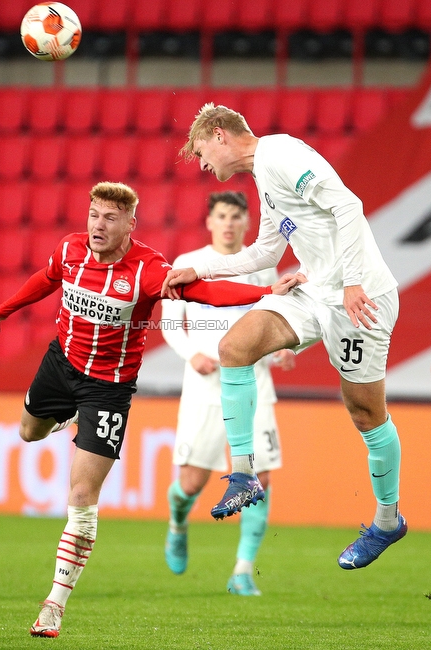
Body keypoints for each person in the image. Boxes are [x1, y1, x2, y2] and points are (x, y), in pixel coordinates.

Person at [0, 181, 302, 638]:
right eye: (94, 214)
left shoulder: (149, 270)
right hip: (61, 363)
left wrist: (267, 291)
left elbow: (205, 295)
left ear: (130, 224)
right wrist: (4, 309)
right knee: (28, 432)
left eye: (110, 218)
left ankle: (55, 603)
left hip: (107, 390)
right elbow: (47, 278)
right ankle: (68, 418)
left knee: (81, 499)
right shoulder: (70, 249)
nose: (98, 224)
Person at [163, 103, 407, 570]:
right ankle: (243, 475)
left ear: (219, 135)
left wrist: (353, 279)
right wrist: (199, 268)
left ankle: (387, 520)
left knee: (366, 413)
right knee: (235, 346)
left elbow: (348, 205)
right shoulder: (264, 177)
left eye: (200, 152)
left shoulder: (281, 154)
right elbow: (264, 252)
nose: (202, 164)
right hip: (314, 291)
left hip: (362, 297)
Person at [160, 191, 295, 595]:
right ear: (210, 221)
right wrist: (192, 353)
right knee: (190, 483)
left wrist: (283, 349)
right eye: (222, 215)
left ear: (247, 223)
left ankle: (243, 570)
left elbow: (273, 326)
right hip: (206, 387)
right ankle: (178, 523)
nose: (230, 223)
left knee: (261, 478)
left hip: (254, 383)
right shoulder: (189, 265)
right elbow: (169, 324)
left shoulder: (261, 270)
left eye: (237, 216)